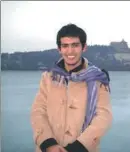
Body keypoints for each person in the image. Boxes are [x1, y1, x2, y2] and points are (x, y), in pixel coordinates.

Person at [30, 23, 112, 152]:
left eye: (75, 45)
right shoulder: (48, 77)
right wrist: (48, 143)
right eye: (65, 46)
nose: (70, 51)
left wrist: (77, 147)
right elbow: (38, 111)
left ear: (84, 47)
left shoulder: (98, 79)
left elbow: (103, 116)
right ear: (59, 49)